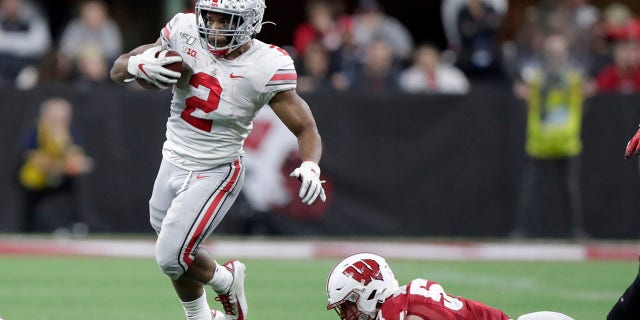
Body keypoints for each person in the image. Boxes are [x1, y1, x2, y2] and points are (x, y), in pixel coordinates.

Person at [109, 1, 326, 320]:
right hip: (172, 157)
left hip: (216, 169)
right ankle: (200, 316)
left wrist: (310, 163)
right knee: (179, 250)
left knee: (171, 255)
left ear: (250, 21)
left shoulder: (265, 64)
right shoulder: (184, 31)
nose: (213, 27)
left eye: (224, 20)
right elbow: (118, 69)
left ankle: (227, 281)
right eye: (209, 17)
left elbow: (305, 126)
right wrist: (135, 67)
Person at [510, 33, 593, 239]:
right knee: (530, 190)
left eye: (559, 51)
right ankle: (522, 230)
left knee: (570, 191)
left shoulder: (575, 76)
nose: (555, 56)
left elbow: (587, 94)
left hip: (567, 142)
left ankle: (575, 231)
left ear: (566, 53)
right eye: (551, 52)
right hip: (539, 142)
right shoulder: (534, 76)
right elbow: (521, 91)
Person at [325, 253, 575, 320]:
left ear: (370, 290)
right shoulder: (406, 297)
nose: (348, 314)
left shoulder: (395, 310)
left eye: (349, 304)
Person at [17, 97, 93, 233]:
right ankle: (34, 229)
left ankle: (74, 224)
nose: (60, 121)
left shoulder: (70, 131)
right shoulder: (36, 130)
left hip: (62, 176)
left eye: (63, 118)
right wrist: (60, 165)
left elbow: (78, 158)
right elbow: (34, 159)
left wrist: (66, 157)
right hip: (37, 179)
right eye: (55, 117)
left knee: (73, 191)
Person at [0, 0, 51, 87]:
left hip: (28, 64)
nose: (10, 6)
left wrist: (9, 41)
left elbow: (40, 46)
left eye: (13, 2)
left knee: (28, 79)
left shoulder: (33, 16)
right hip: (3, 65)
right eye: (6, 3)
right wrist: (23, 41)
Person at [398, 43, 470, 94]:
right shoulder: (408, 77)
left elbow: (463, 90)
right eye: (423, 60)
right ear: (416, 61)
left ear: (437, 58)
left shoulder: (453, 74)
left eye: (430, 58)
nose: (427, 62)